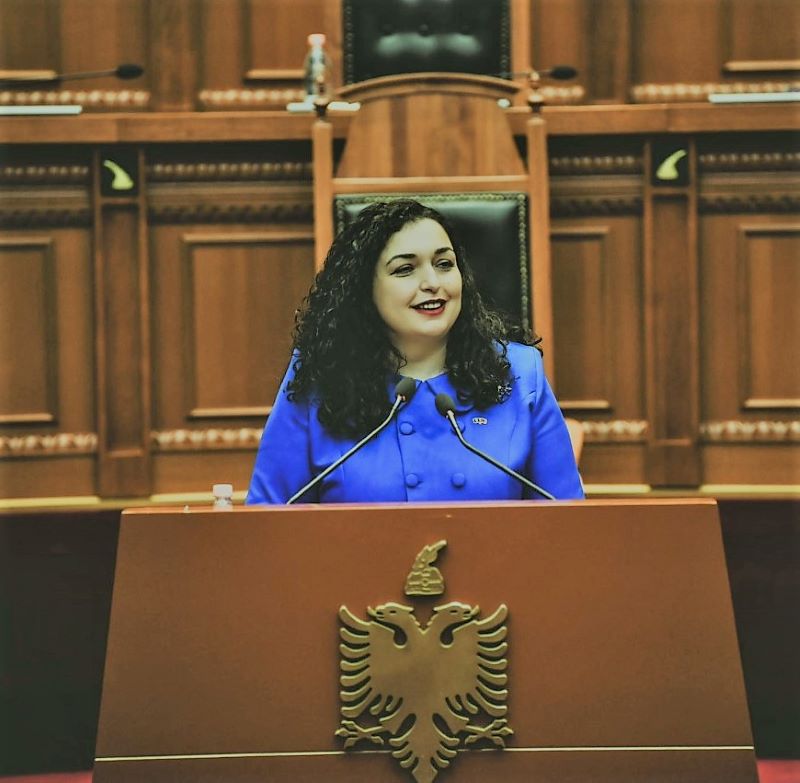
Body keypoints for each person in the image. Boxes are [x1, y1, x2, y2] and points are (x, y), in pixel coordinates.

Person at [246, 200, 583, 504]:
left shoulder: (519, 373)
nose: (432, 282)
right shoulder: (321, 376)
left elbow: (567, 526)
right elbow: (269, 523)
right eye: (405, 269)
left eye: (444, 264)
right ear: (364, 288)